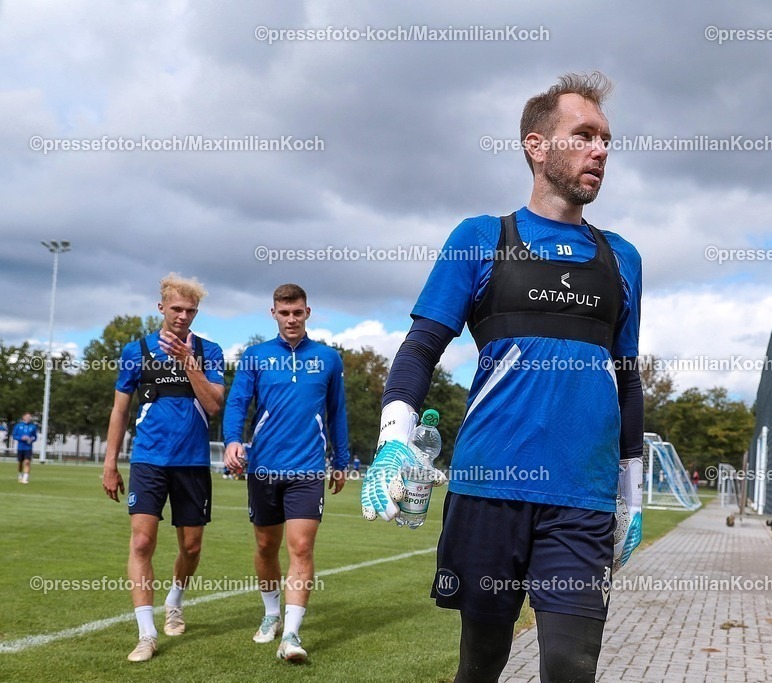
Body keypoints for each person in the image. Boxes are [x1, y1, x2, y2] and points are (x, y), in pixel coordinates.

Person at [361, 72, 644, 682]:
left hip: (581, 500)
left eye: (605, 139)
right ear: (537, 146)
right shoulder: (482, 238)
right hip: (491, 486)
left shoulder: (622, 257)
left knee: (571, 667)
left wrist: (633, 491)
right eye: (583, 135)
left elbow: (628, 381)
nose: (599, 150)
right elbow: (420, 349)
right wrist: (392, 439)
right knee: (482, 665)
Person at [101, 274, 225, 662]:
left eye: (190, 310)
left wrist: (189, 363)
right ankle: (146, 633)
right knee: (141, 542)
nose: (183, 316)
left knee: (191, 546)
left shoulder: (210, 350)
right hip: (148, 461)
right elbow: (120, 410)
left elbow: (214, 404)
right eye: (176, 308)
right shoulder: (135, 350)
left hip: (192, 464)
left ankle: (175, 601)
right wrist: (110, 463)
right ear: (161, 308)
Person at [222, 284, 349, 663]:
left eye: (297, 313)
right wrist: (231, 440)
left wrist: (341, 460)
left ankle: (291, 634)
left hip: (307, 468)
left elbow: (337, 412)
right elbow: (238, 403)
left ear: (308, 313)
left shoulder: (328, 359)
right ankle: (271, 614)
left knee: (301, 547)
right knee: (265, 546)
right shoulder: (256, 356)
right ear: (273, 313)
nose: (291, 319)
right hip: (263, 468)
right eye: (284, 313)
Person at [13, 413, 38, 484]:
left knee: (27, 462)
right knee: (20, 462)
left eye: (30, 417)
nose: (28, 418)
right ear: (23, 417)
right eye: (27, 417)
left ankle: (25, 478)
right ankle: (20, 475)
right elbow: (14, 436)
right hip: (20, 447)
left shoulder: (33, 427)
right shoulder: (18, 426)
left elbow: (35, 437)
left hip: (28, 447)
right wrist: (21, 438)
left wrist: (31, 439)